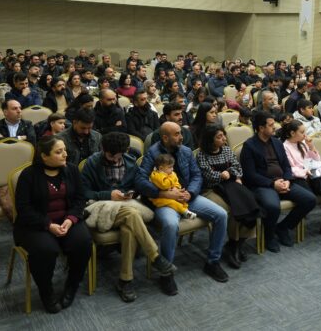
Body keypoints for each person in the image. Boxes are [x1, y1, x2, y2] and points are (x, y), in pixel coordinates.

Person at [80, 132, 177, 302]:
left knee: (129, 229)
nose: (113, 159)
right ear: (103, 149)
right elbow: (83, 192)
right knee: (132, 214)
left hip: (125, 209)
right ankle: (154, 256)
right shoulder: (92, 162)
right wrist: (108, 195)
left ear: (125, 151)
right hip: (102, 209)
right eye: (110, 155)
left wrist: (131, 193)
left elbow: (139, 186)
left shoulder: (131, 162)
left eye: (117, 156)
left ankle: (125, 280)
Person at [136, 122, 230, 295]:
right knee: (171, 224)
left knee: (221, 214)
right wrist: (164, 193)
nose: (181, 137)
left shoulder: (186, 151)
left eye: (181, 133)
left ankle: (213, 262)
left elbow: (196, 175)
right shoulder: (152, 153)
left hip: (187, 196)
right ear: (165, 138)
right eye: (177, 134)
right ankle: (166, 273)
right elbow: (140, 181)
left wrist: (191, 193)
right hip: (165, 200)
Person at [12, 136, 92, 313]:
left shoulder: (71, 170)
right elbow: (23, 208)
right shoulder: (29, 175)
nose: (65, 154)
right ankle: (46, 292)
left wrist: (70, 219)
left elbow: (80, 199)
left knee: (83, 242)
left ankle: (72, 285)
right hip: (36, 225)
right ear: (44, 156)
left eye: (65, 150)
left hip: (67, 220)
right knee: (45, 250)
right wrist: (48, 225)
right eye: (59, 152)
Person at [239, 111, 316, 252]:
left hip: (282, 181)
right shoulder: (249, 146)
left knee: (310, 199)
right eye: (270, 125)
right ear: (261, 128)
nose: (274, 127)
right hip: (263, 185)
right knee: (273, 206)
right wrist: (272, 184)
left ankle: (283, 227)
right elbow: (250, 175)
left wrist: (287, 180)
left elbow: (286, 166)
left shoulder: (277, 142)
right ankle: (268, 236)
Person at [196, 124, 261, 269]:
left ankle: (235, 245)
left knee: (250, 204)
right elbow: (207, 176)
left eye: (223, 135)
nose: (224, 138)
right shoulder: (202, 154)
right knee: (233, 209)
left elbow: (237, 167)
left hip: (231, 185)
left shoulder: (226, 149)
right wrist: (222, 175)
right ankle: (233, 244)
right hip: (211, 189)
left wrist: (230, 174)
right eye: (219, 137)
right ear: (210, 140)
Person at [148, 154, 198, 219]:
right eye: (170, 167)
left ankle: (185, 210)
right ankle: (185, 212)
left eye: (172, 166)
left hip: (171, 193)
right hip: (159, 199)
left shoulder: (171, 173)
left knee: (182, 199)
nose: (172, 169)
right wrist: (172, 180)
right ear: (161, 168)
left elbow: (177, 182)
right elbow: (164, 185)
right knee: (172, 203)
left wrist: (176, 188)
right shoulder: (156, 175)